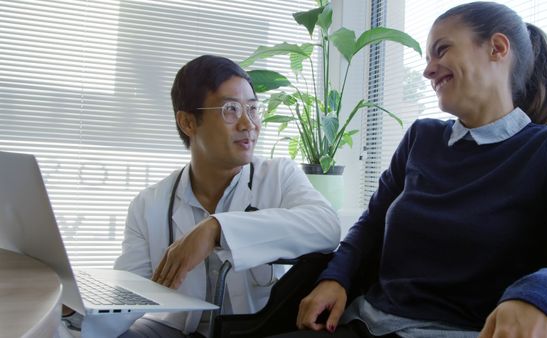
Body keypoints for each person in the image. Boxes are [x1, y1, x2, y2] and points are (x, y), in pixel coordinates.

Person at [273, 2, 547, 338]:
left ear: (497, 48)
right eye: (427, 58)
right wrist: (336, 277)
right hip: (365, 323)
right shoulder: (421, 137)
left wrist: (540, 296)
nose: (428, 70)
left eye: (441, 51)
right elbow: (371, 224)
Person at [63, 54, 341, 337]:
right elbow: (128, 295)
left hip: (255, 330)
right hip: (173, 330)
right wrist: (71, 308)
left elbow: (326, 226)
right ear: (187, 123)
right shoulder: (148, 204)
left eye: (253, 109)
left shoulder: (278, 176)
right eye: (231, 110)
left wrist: (216, 229)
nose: (249, 124)